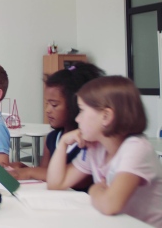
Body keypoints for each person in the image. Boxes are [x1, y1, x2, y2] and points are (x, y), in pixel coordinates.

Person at [47, 76, 162, 226]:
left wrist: (94, 189)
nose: (77, 119)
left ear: (106, 116)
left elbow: (110, 205)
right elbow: (56, 184)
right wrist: (62, 144)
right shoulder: (97, 147)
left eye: (82, 111)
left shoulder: (136, 148)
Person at [9, 62, 104, 184]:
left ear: (75, 106)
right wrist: (23, 169)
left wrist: (29, 172)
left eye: (54, 105)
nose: (48, 110)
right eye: (46, 104)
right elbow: (46, 173)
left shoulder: (88, 142)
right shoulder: (52, 138)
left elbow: (74, 181)